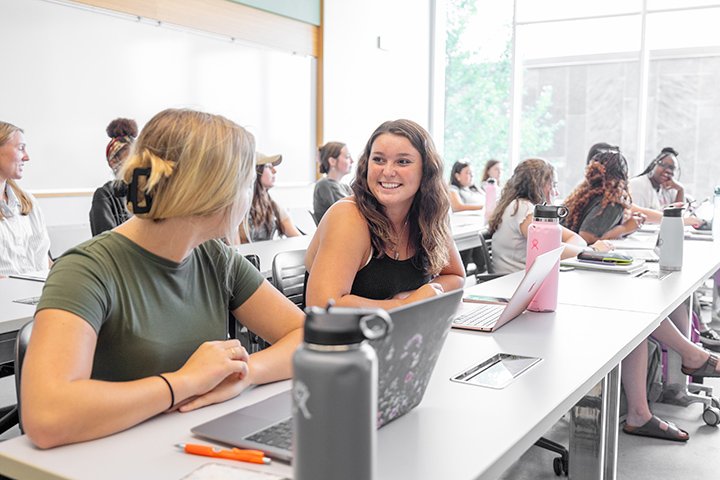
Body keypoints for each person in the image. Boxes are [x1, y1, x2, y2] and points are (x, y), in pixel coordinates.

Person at [21, 109, 304, 449]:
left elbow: (306, 338)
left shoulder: (214, 256)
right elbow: (47, 415)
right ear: (210, 192)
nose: (249, 196)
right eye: (246, 184)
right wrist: (182, 382)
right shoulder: (86, 270)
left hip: (183, 448)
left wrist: (243, 375)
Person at [564, 147, 720, 441]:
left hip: (575, 277)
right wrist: (622, 229)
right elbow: (586, 240)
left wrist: (622, 229)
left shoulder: (592, 195)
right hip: (577, 285)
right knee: (638, 311)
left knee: (639, 317)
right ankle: (689, 357)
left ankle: (644, 408)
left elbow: (583, 240)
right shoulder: (608, 201)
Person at [304, 119, 465, 308]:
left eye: (403, 162)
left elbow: (455, 276)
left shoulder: (429, 213)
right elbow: (322, 306)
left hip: (403, 334)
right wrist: (408, 304)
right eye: (378, 160)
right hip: (345, 337)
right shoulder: (348, 216)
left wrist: (426, 292)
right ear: (366, 165)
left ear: (426, 170)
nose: (388, 171)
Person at [488, 158, 612, 275]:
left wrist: (573, 250)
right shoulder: (523, 208)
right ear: (539, 185)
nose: (556, 192)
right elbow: (551, 249)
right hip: (515, 283)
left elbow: (576, 239)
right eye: (554, 185)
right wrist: (593, 252)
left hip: (526, 280)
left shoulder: (520, 205)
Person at [0, 121, 51, 276]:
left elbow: (45, 260)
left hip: (38, 294)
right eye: (21, 148)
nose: (27, 157)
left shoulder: (28, 202)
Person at [238, 153, 301, 242]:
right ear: (255, 171)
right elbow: (235, 247)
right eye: (268, 166)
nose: (274, 171)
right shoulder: (239, 206)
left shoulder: (272, 205)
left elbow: (296, 236)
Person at [89, 118, 136, 236]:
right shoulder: (104, 196)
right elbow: (105, 243)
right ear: (113, 161)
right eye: (130, 154)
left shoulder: (148, 191)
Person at [313, 141, 353, 223]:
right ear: (332, 161)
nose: (352, 161)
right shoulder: (324, 185)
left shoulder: (344, 186)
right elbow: (351, 211)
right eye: (347, 157)